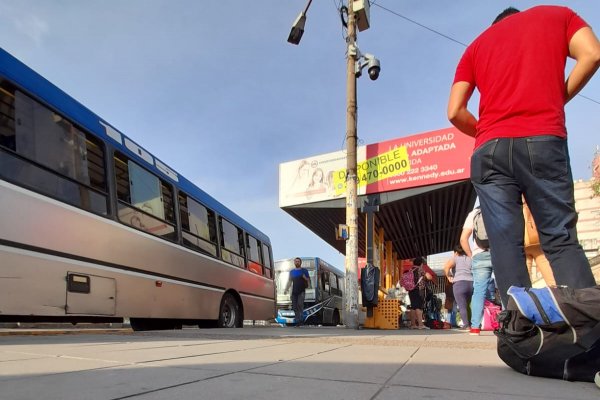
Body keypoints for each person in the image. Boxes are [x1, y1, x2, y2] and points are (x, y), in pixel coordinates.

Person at [447, 6, 600, 306]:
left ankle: (525, 340)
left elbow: (454, 111)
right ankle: (589, 338)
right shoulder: (558, 16)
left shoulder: (476, 46)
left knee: (505, 247)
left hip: (489, 150)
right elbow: (592, 54)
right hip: (542, 138)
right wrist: (558, 97)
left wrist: (488, 131)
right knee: (559, 239)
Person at [460, 208, 493, 335]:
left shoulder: (474, 213)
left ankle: (475, 327)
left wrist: (471, 255)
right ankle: (509, 325)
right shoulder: (502, 203)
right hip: (501, 252)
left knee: (479, 292)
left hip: (480, 255)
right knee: (505, 288)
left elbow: (463, 239)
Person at [523, 197, 556, 287]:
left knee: (524, 280)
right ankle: (558, 296)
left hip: (521, 244)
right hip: (538, 242)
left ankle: (526, 299)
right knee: (551, 278)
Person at [443, 244, 473, 331]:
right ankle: (471, 324)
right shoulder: (470, 258)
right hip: (471, 283)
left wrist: (449, 277)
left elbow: (446, 267)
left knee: (462, 306)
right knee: (468, 305)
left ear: (456, 252)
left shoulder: (455, 258)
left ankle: (466, 325)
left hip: (459, 283)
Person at [404, 257, 435, 330]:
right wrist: (426, 274)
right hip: (419, 290)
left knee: (413, 307)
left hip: (411, 290)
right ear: (421, 264)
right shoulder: (420, 270)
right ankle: (420, 325)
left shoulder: (411, 270)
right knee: (419, 307)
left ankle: (413, 324)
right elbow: (429, 277)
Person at [283, 257, 311, 326]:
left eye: (298, 261)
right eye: (296, 261)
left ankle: (300, 321)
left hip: (301, 291)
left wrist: (305, 278)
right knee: (294, 307)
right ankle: (297, 319)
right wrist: (286, 289)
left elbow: (308, 280)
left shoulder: (304, 270)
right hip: (294, 292)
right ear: (294, 263)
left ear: (300, 263)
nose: (297, 262)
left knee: (300, 305)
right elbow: (289, 281)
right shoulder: (292, 272)